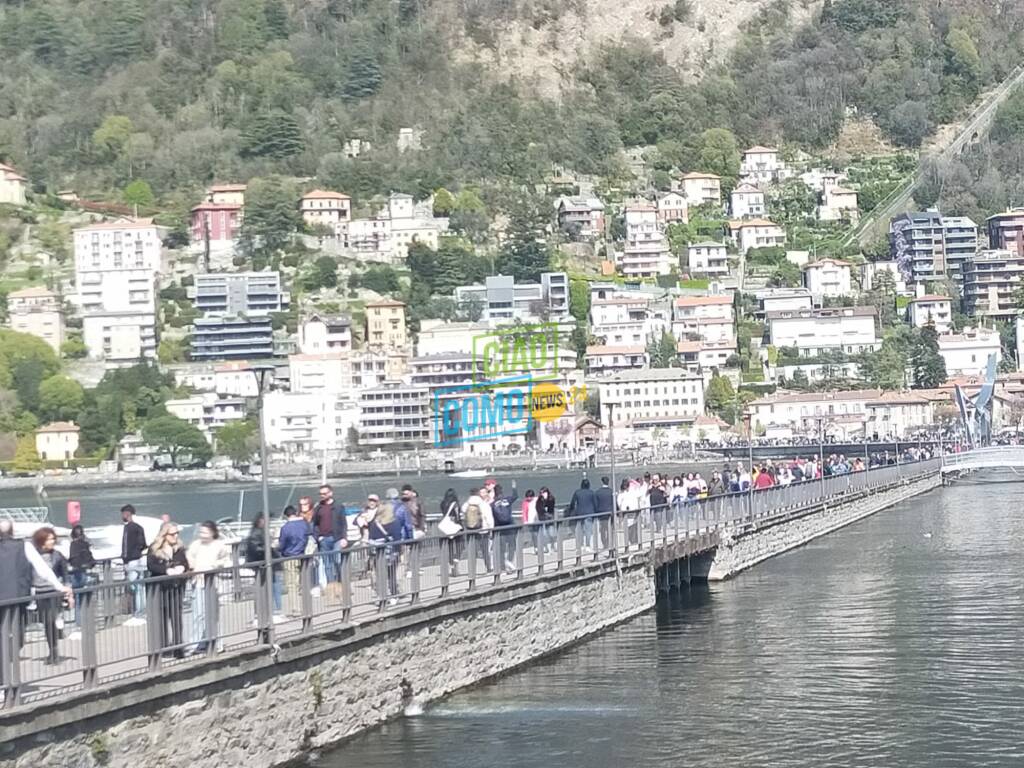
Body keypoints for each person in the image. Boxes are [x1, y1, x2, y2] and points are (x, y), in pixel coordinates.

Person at [186, 521, 231, 655]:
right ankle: (196, 644)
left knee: (213, 614)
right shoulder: (195, 545)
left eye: (205, 532)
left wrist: (214, 565)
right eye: (201, 532)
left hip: (213, 583)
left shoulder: (219, 545)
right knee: (198, 614)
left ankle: (217, 643)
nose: (202, 535)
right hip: (198, 581)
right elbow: (189, 557)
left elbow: (225, 561)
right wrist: (193, 567)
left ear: (212, 532)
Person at [0, 520, 33, 697]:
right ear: (13, 531)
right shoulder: (22, 547)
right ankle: (7, 679)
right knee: (17, 636)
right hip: (18, 599)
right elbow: (31, 571)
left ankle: (3, 683)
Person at [147, 522, 188, 658]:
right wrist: (166, 570)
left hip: (176, 587)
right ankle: (164, 648)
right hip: (160, 588)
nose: (175, 536)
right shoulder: (154, 548)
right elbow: (151, 566)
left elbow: (185, 562)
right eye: (172, 534)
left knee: (176, 617)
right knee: (162, 618)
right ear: (164, 535)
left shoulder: (180, 548)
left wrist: (182, 567)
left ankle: (178, 647)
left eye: (177, 533)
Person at [31, 527, 68, 665]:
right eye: (49, 539)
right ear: (41, 541)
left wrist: (67, 589)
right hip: (39, 592)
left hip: (53, 592)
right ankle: (52, 650)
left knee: (51, 621)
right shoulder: (33, 556)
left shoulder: (57, 555)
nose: (52, 541)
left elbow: (65, 573)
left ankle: (54, 651)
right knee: (46, 623)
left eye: (53, 539)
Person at [246, 514, 283, 620]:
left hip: (267, 563)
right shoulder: (257, 533)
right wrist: (269, 548)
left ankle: (271, 611)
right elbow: (256, 548)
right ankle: (270, 612)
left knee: (272, 586)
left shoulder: (259, 532)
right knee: (269, 587)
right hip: (263, 564)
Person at [278, 505, 312, 617]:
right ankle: (307, 607)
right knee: (304, 582)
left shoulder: (285, 528)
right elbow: (310, 536)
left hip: (290, 557)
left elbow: (282, 544)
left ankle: (295, 609)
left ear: (286, 515)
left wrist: (279, 551)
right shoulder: (304, 524)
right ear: (296, 512)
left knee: (292, 585)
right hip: (303, 556)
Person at [120, 504, 147, 626]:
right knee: (139, 586)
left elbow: (126, 546)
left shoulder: (128, 528)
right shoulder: (139, 528)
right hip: (137, 558)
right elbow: (143, 544)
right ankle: (140, 611)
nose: (122, 516)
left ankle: (139, 612)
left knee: (134, 585)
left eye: (123, 513)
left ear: (127, 514)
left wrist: (125, 558)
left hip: (131, 559)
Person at [313, 484, 344, 589]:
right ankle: (332, 587)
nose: (322, 496)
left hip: (336, 538)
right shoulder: (318, 508)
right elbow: (315, 524)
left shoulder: (338, 506)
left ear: (330, 493)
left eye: (325, 493)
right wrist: (318, 537)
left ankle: (341, 584)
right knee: (327, 565)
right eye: (321, 494)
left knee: (337, 561)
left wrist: (344, 538)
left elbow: (343, 523)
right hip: (324, 539)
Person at [68, 525, 96, 630]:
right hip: (87, 573)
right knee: (87, 600)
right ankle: (89, 623)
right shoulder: (85, 544)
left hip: (78, 574)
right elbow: (91, 560)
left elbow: (73, 559)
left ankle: (80, 625)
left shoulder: (73, 545)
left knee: (78, 601)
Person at [461, 488, 493, 572]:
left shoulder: (466, 504)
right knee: (485, 550)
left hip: (470, 530)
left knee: (472, 551)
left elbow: (463, 513)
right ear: (478, 494)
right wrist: (491, 529)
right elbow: (489, 518)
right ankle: (488, 567)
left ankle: (472, 569)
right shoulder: (483, 504)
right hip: (483, 530)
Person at [491, 481, 518, 571]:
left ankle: (502, 565)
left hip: (499, 528)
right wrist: (514, 487)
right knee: (512, 545)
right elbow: (515, 496)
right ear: (502, 491)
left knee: (501, 548)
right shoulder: (507, 500)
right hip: (510, 526)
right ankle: (509, 561)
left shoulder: (493, 504)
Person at [568, 478, 597, 551]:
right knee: (588, 530)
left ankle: (580, 545)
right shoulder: (592, 493)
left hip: (579, 513)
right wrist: (596, 512)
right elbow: (595, 504)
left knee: (579, 530)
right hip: (589, 513)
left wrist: (571, 511)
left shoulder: (577, 492)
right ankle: (587, 545)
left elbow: (572, 503)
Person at [439, 489, 462, 576]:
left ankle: (451, 563)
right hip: (455, 527)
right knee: (460, 544)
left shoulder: (443, 503)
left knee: (450, 547)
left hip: (446, 528)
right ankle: (457, 558)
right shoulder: (455, 504)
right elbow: (457, 515)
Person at [595, 477, 614, 553]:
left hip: (601, 513)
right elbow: (614, 503)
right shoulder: (611, 491)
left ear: (602, 482)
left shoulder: (598, 492)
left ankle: (605, 544)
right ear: (608, 482)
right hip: (610, 513)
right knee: (610, 529)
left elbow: (596, 504)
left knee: (602, 529)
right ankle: (610, 543)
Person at [536, 487, 556, 554]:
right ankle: (546, 548)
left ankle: (553, 546)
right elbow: (538, 508)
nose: (542, 494)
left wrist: (546, 500)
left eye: (543, 492)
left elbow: (551, 507)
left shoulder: (551, 499)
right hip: (542, 519)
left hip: (549, 519)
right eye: (541, 493)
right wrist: (543, 500)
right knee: (544, 534)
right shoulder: (539, 500)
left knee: (551, 534)